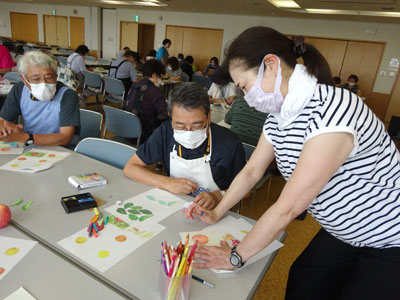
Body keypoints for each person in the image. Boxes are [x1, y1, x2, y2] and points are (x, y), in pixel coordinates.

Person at [184, 27, 400, 300]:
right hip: (344, 229)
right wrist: (217, 211)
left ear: (271, 66)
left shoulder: (333, 109)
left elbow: (290, 207)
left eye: (245, 86)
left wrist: (236, 257)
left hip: (391, 233)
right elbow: (251, 171)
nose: (246, 97)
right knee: (305, 281)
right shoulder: (279, 116)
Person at [124, 82, 246, 209]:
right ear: (170, 117)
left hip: (216, 211)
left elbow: (246, 189)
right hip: (174, 205)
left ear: (209, 116)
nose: (188, 131)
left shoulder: (229, 143)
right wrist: (168, 183)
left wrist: (218, 196)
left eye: (196, 125)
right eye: (180, 125)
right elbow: (130, 168)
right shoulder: (166, 132)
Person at [0, 51, 80, 147]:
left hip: (59, 148)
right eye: (36, 79)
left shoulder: (68, 95)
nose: (44, 84)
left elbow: (65, 137)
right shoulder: (19, 89)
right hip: (29, 145)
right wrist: (4, 128)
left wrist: (25, 138)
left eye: (49, 78)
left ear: (56, 76)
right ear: (24, 80)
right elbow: (3, 120)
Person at [124, 59, 168, 142]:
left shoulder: (134, 85)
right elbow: (166, 112)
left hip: (127, 129)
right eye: (161, 78)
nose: (161, 81)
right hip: (144, 133)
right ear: (155, 75)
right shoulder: (154, 91)